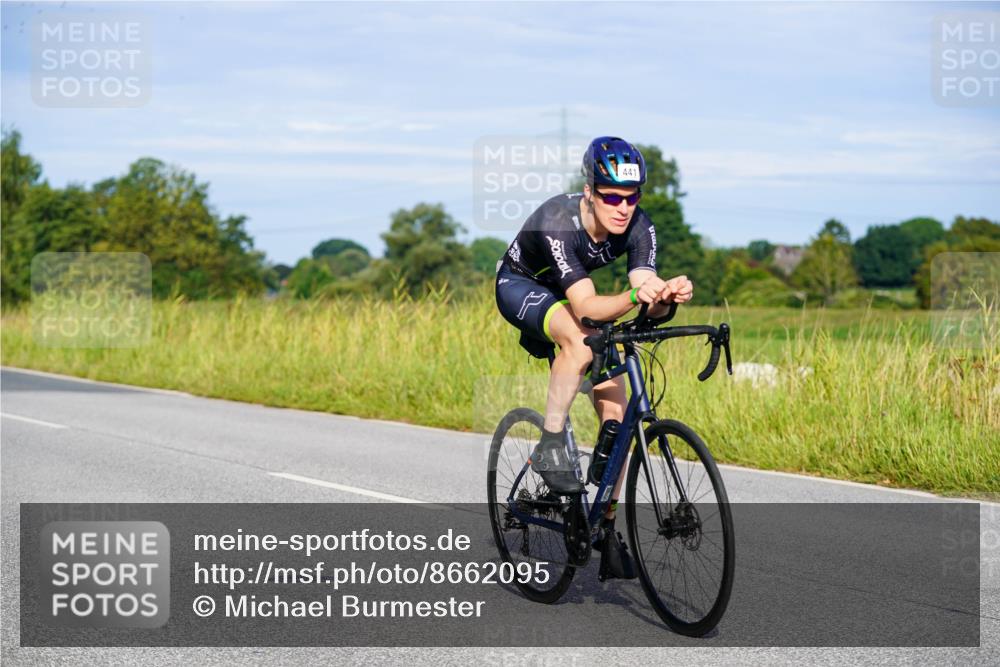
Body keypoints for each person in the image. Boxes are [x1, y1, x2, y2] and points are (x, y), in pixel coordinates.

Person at [495, 136, 694, 507]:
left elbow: (645, 296)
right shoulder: (558, 222)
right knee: (579, 336)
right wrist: (636, 296)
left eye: (632, 197)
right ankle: (550, 444)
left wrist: (664, 297)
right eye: (612, 197)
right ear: (589, 192)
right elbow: (587, 308)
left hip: (572, 289)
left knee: (618, 414)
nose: (623, 208)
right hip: (522, 285)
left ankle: (604, 523)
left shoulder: (639, 226)